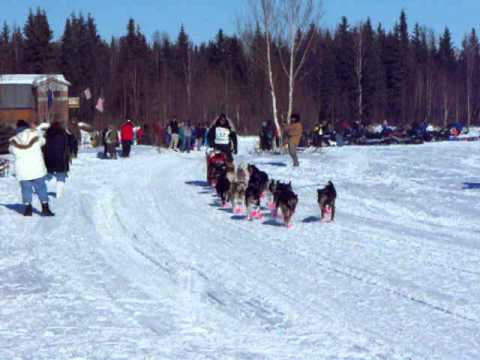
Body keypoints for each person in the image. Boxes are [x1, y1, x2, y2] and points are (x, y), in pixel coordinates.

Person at [8, 120, 54, 216]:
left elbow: (11, 150)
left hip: (23, 171)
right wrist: (35, 131)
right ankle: (45, 209)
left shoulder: (13, 141)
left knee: (26, 190)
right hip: (37, 169)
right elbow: (43, 141)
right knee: (41, 188)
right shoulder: (35, 136)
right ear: (27, 127)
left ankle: (28, 210)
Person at [43, 121, 71, 199]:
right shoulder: (63, 134)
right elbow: (70, 143)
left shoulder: (47, 134)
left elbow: (43, 147)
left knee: (48, 175)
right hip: (61, 159)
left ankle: (40, 188)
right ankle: (59, 195)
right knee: (61, 177)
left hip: (49, 160)